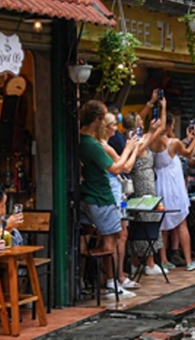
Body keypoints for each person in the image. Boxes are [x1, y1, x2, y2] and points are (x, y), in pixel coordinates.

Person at [78, 100, 133, 300]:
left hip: (86, 195)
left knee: (85, 239)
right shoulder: (92, 145)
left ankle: (81, 281)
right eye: (104, 120)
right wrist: (129, 148)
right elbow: (117, 169)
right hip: (101, 196)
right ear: (98, 120)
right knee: (111, 238)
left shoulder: (79, 140)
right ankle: (111, 284)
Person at [150, 116, 195, 272]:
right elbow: (188, 152)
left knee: (163, 224)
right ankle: (188, 260)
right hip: (173, 185)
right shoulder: (174, 143)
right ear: (170, 125)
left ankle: (164, 259)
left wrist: (186, 138)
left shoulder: (153, 142)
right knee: (181, 223)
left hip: (160, 184)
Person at [96, 110, 139, 293]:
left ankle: (113, 277)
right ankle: (114, 278)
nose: (116, 127)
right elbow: (124, 167)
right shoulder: (104, 147)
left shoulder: (101, 145)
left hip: (111, 193)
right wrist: (133, 148)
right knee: (114, 237)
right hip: (111, 194)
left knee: (115, 235)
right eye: (113, 124)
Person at [124, 108, 166, 277]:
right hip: (143, 183)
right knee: (146, 217)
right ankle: (148, 261)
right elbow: (159, 129)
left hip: (145, 180)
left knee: (143, 217)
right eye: (140, 123)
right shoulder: (138, 143)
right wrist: (160, 113)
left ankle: (139, 260)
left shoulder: (135, 141)